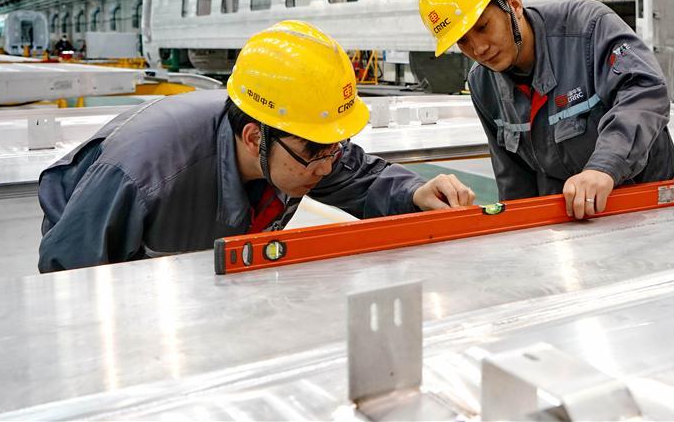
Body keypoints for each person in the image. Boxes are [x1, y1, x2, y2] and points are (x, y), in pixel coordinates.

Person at [38, 20, 475, 272]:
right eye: (316, 152)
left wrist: (415, 193)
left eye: (336, 146)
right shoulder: (143, 173)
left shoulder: (296, 142)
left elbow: (358, 175)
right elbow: (67, 276)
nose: (328, 166)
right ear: (253, 138)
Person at [417, 0, 674, 219]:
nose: (479, 48)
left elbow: (645, 92)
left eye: (483, 27)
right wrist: (518, 231)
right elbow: (512, 175)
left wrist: (604, 167)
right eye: (463, 41)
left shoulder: (588, 28)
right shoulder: (482, 83)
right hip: (572, 219)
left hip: (646, 205)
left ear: (514, 5)